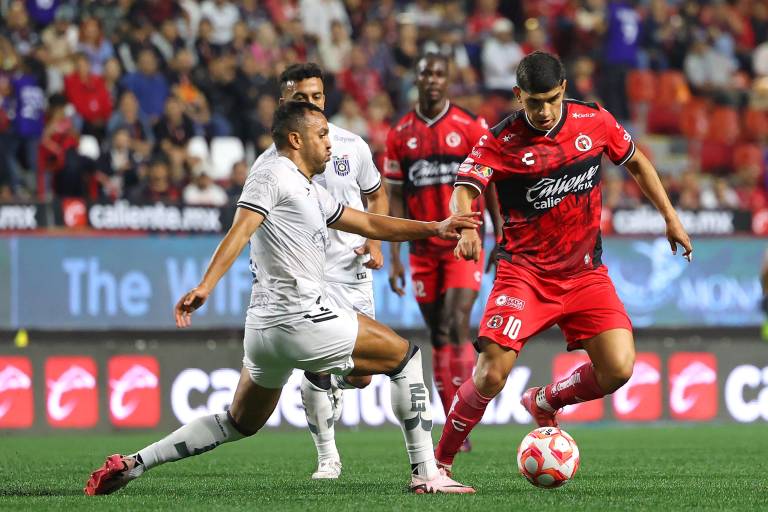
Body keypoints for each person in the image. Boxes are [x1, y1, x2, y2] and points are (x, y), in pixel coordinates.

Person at [84, 101, 477, 496]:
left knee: (238, 422)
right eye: (322, 134)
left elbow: (371, 222)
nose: (330, 144)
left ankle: (135, 463)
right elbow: (240, 230)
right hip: (302, 318)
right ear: (295, 139)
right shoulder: (271, 175)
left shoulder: (308, 188)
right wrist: (206, 285)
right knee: (405, 358)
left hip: (265, 333)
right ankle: (427, 474)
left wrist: (436, 227)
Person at [433, 51, 693, 474]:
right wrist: (465, 227)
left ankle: (545, 399)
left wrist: (671, 217)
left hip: (584, 272)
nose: (543, 110)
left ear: (564, 90)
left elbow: (638, 163)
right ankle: (438, 464)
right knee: (490, 374)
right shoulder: (501, 140)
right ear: (519, 96)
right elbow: (465, 186)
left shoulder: (595, 122)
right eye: (534, 101)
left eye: (551, 99)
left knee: (618, 368)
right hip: (526, 274)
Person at [252, 63, 389, 480]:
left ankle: (324, 380)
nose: (310, 105)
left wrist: (375, 241)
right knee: (318, 366)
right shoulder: (269, 164)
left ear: (326, 99)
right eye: (300, 99)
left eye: (316, 97)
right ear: (284, 105)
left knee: (363, 377)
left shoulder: (352, 146)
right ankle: (327, 457)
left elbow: (377, 196)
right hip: (306, 278)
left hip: (351, 269)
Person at [384, 53, 500, 451]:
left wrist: (500, 236)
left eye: (438, 74)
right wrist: (395, 256)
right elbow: (396, 197)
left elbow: (493, 184)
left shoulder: (469, 126)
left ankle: (459, 424)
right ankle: (453, 414)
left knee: (455, 322)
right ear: (416, 79)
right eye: (425, 73)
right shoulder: (400, 133)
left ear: (448, 80)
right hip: (420, 248)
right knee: (437, 332)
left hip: (463, 242)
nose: (432, 79)